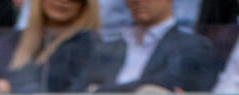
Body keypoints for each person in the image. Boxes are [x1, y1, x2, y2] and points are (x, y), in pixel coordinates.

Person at [87, 0, 221, 90]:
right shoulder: (107, 49)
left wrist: (100, 94)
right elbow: (81, 91)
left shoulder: (195, 47)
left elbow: (162, 88)